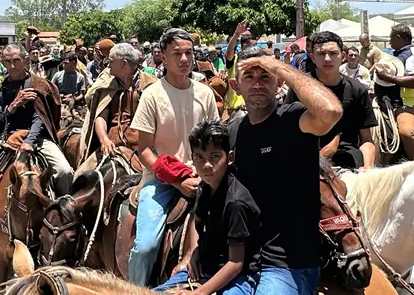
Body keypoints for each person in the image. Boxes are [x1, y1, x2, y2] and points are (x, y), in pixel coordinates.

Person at [229, 45, 343, 295]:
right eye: (249, 76)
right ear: (235, 86)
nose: (257, 83)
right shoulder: (234, 131)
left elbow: (331, 112)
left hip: (288, 264)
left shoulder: (292, 119)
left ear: (278, 83)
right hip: (239, 260)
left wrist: (279, 66)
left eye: (265, 76)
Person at [129, 28, 220, 287]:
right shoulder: (152, 95)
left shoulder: (205, 94)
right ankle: (135, 291)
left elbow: (216, 141)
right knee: (146, 246)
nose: (184, 59)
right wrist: (178, 181)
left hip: (205, 177)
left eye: (188, 53)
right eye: (176, 53)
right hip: (161, 181)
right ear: (164, 58)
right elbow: (144, 149)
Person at [0, 43, 72, 257]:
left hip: (37, 139)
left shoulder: (39, 85)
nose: (12, 65)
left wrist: (30, 140)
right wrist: (13, 106)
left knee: (65, 171)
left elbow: (40, 118)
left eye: (16, 60)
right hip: (7, 139)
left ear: (26, 60)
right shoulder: (0, 90)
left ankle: (66, 219)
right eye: (7, 62)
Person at [154, 121, 261, 295]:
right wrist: (195, 251)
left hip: (238, 276)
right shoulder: (204, 187)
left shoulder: (235, 203)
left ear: (230, 158)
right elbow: (197, 221)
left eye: (215, 157)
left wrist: (198, 293)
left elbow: (236, 263)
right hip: (206, 266)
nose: (207, 165)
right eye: (199, 157)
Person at [285, 32, 377, 170]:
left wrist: (368, 167)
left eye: (333, 53)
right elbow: (287, 133)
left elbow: (366, 140)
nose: (327, 59)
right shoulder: (300, 88)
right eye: (321, 54)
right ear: (312, 56)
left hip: (348, 158)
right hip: (307, 157)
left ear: (343, 56)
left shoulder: (357, 90)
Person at [76, 42, 158, 170]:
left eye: (111, 61)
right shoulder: (107, 85)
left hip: (142, 147)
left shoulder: (151, 85)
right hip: (111, 144)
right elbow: (100, 116)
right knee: (81, 175)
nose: (108, 65)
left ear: (124, 64)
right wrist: (104, 140)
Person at [373, 24, 414, 161]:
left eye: (391, 37)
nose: (389, 41)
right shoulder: (395, 55)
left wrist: (387, 77)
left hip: (405, 103)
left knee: (406, 132)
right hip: (385, 101)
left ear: (398, 37)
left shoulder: (413, 55)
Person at [224, 21, 257, 112]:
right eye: (253, 45)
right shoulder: (233, 59)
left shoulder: (257, 62)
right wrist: (236, 34)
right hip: (234, 108)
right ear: (245, 45)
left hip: (252, 107)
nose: (255, 48)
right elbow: (229, 51)